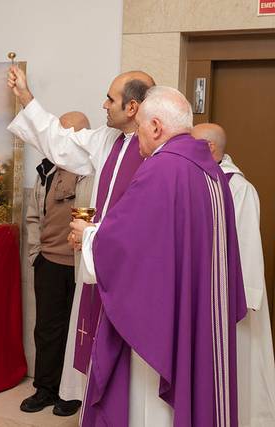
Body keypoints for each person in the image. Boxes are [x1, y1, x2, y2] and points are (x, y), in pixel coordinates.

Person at [69, 86, 247, 426]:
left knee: (149, 410)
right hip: (197, 311)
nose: (136, 139)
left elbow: (125, 248)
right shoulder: (212, 173)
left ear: (155, 126)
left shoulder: (162, 169)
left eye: (138, 130)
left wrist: (88, 236)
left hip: (161, 322)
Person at [7, 66, 155, 379]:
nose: (103, 104)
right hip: (99, 259)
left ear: (132, 107)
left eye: (110, 99)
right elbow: (60, 141)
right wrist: (26, 97)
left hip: (137, 271)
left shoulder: (158, 148)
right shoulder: (107, 140)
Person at [193, 123, 275, 427]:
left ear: (210, 149)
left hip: (234, 300)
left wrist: (246, 297)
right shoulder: (201, 181)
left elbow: (248, 247)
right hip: (206, 296)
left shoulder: (238, 188)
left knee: (239, 369)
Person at [22, 111, 90, 416]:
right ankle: (45, 389)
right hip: (48, 262)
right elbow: (34, 216)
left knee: (79, 331)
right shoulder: (46, 170)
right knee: (47, 329)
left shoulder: (94, 170)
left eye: (64, 135)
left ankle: (71, 394)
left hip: (81, 266)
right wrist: (36, 253)